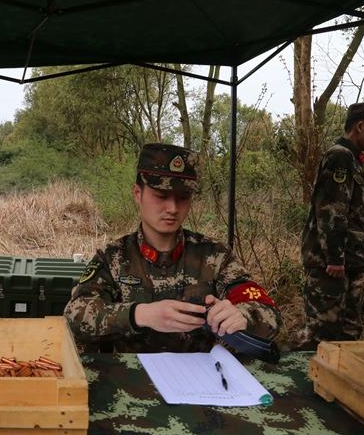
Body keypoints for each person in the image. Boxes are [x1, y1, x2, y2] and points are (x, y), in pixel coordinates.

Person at [64, 143, 282, 353]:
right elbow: (75, 315)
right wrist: (139, 314)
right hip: (132, 381)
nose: (173, 208)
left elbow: (269, 313)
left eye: (183, 198)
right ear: (138, 194)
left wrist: (244, 316)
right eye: (161, 196)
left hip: (202, 382)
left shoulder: (215, 256)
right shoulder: (114, 257)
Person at [299, 103, 364, 348]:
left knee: (347, 338)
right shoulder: (340, 157)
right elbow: (331, 212)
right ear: (360, 126)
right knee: (322, 337)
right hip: (332, 267)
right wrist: (335, 258)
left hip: (349, 264)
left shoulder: (354, 160)